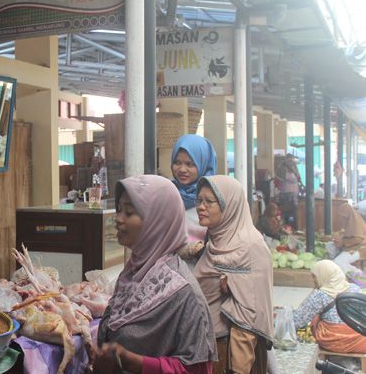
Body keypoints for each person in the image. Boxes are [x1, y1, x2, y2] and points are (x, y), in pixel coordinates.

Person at [94, 175, 217, 374]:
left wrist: (135, 362)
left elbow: (198, 368)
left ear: (157, 221)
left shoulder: (183, 294)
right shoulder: (133, 274)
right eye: (119, 210)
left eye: (129, 212)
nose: (118, 219)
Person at [194, 175, 274, 374]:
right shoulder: (215, 240)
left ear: (229, 205)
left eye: (209, 202)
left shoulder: (250, 247)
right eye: (199, 200)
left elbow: (250, 313)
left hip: (231, 357)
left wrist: (238, 369)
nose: (201, 207)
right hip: (207, 347)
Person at [293, 260, 366, 356]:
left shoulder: (320, 295)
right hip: (360, 341)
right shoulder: (355, 289)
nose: (313, 280)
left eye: (314, 277)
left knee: (315, 318)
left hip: (333, 342)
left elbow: (297, 321)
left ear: (323, 276)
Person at [170, 135, 217, 262]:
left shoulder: (216, 197)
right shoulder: (166, 194)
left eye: (190, 164)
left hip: (204, 271)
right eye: (177, 162)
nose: (182, 169)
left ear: (203, 163)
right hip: (168, 274)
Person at [326, 202, 366, 274]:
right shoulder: (350, 219)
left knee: (338, 262)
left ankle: (358, 275)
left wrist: (343, 242)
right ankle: (343, 269)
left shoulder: (357, 222)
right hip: (351, 246)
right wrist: (338, 237)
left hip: (360, 248)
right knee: (329, 245)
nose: (342, 218)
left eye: (344, 216)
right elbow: (346, 232)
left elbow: (358, 239)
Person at [275, 154, 301, 228]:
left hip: (294, 196)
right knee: (287, 214)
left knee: (293, 214)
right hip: (285, 196)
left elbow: (299, 179)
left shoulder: (295, 168)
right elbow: (277, 182)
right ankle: (286, 227)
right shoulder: (282, 169)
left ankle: (292, 227)